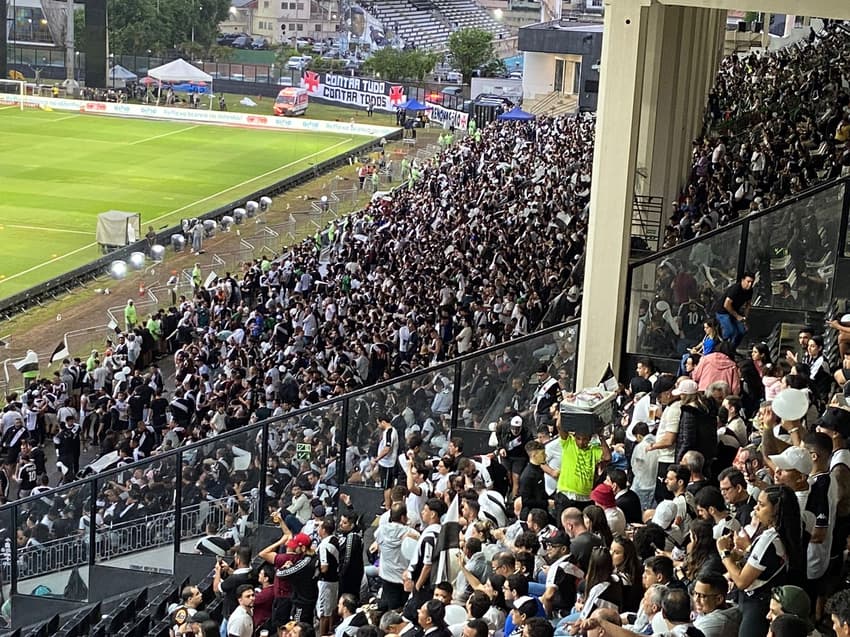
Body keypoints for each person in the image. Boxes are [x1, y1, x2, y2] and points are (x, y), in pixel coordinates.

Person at [716, 485, 802, 637]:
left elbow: (742, 582)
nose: (755, 508)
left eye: (762, 505)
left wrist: (724, 552)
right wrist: (745, 554)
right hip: (766, 598)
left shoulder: (769, 539)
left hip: (757, 603)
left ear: (776, 510)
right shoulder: (785, 532)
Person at [713, 272, 755, 347]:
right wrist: (737, 316)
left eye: (752, 282)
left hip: (734, 312)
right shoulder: (735, 289)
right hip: (722, 312)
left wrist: (744, 319)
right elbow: (726, 304)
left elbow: (748, 305)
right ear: (743, 280)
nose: (750, 284)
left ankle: (732, 349)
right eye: (748, 282)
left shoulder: (750, 291)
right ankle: (719, 346)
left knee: (742, 331)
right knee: (730, 331)